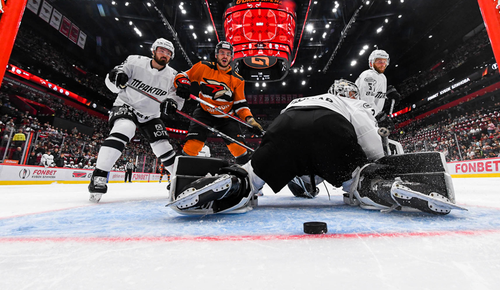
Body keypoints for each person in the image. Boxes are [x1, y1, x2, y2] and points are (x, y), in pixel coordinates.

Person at [167, 79, 463, 216]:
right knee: (361, 179)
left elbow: (301, 165)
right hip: (329, 128)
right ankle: (383, 187)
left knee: (252, 175)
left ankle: (232, 183)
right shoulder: (352, 103)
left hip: (284, 125)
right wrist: (376, 165)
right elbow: (369, 141)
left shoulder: (301, 101)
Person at [88, 38, 185, 203]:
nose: (165, 55)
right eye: (162, 50)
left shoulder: (173, 76)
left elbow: (176, 96)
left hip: (151, 115)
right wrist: (116, 79)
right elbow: (114, 77)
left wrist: (172, 103)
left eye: (168, 53)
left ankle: (180, 180)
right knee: (125, 128)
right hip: (127, 105)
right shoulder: (134, 61)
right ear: (153, 51)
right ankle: (99, 175)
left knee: (163, 145)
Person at [173, 41, 263, 164]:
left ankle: (246, 178)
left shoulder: (238, 80)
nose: (224, 56)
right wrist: (182, 84)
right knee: (191, 146)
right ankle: (179, 179)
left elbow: (240, 105)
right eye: (222, 53)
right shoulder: (203, 67)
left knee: (240, 149)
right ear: (216, 55)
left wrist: (250, 120)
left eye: (228, 54)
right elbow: (181, 76)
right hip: (204, 112)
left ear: (232, 57)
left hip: (226, 117)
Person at [355, 49, 401, 115]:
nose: (383, 64)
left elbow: (374, 95)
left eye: (385, 61)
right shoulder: (369, 76)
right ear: (371, 63)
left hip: (371, 117)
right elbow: (365, 102)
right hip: (363, 117)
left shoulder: (382, 77)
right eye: (379, 62)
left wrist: (387, 95)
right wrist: (378, 117)